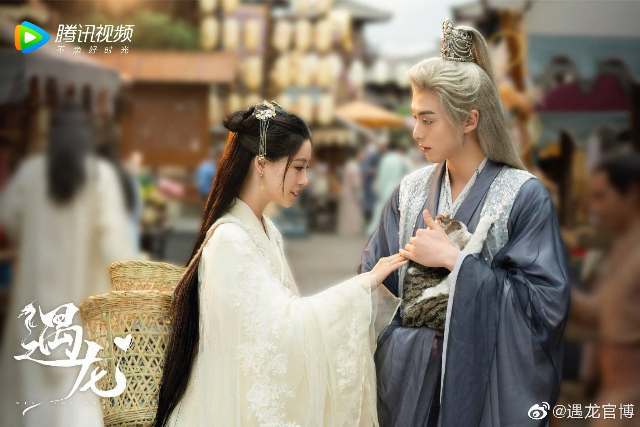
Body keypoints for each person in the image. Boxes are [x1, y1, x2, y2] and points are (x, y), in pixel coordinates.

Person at [359, 20, 570, 426]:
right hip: (409, 382)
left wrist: (455, 262)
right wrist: (409, 343)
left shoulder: (523, 195)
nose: (416, 132)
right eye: (415, 118)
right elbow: (373, 285)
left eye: (428, 120)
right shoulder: (408, 193)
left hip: (483, 388)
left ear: (470, 120)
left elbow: (544, 308)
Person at [154, 101, 404, 427]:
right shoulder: (229, 240)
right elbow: (280, 329)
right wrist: (360, 288)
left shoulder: (267, 231)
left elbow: (288, 321)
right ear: (262, 164)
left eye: (306, 168)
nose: (305, 180)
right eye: (298, 167)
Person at [0, 102, 135, 427]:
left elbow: (8, 222)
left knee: (30, 394)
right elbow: (116, 248)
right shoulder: (99, 177)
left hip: (34, 308)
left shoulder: (30, 173)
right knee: (79, 394)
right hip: (82, 309)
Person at [571, 152, 640, 427]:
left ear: (632, 193)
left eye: (602, 197)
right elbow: (598, 314)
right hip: (614, 394)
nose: (595, 208)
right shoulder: (622, 245)